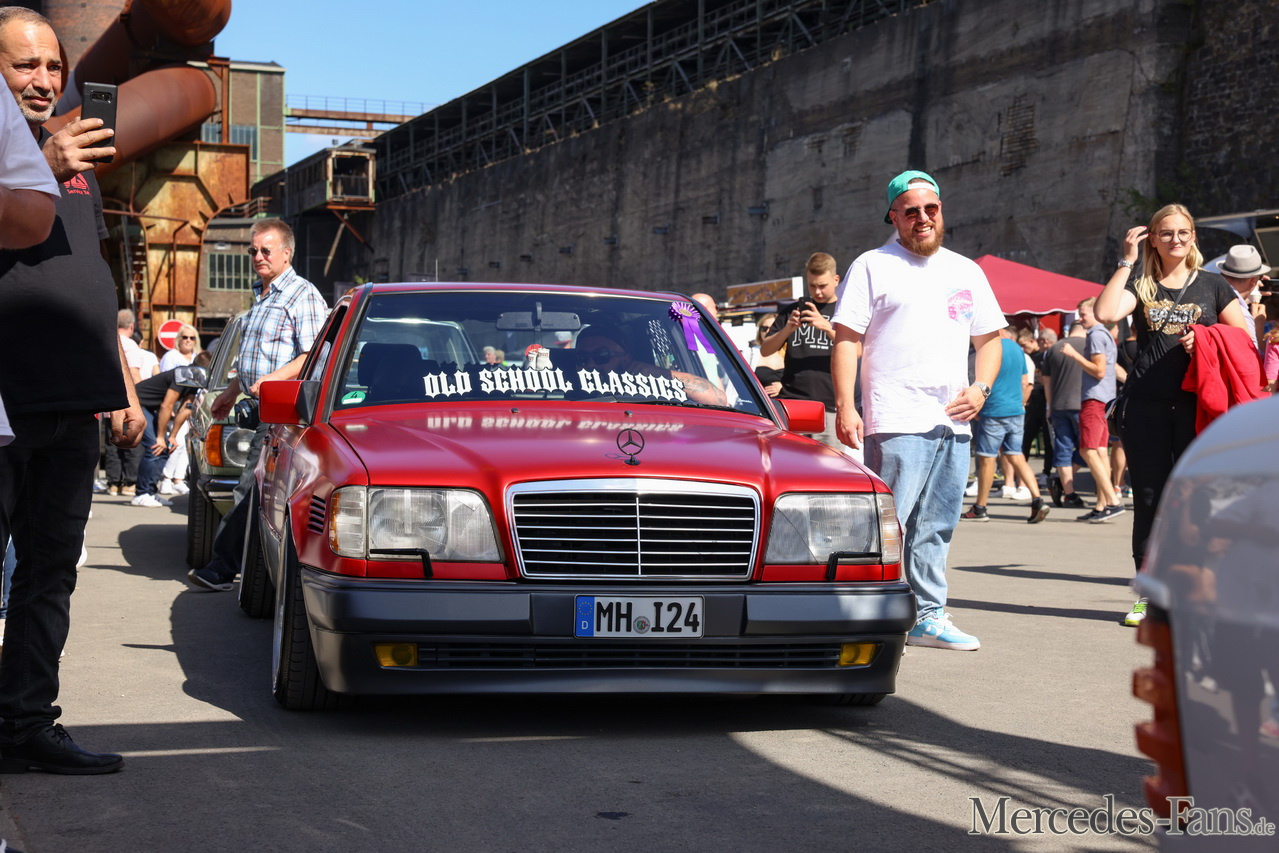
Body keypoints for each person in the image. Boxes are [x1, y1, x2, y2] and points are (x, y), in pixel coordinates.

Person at [0, 5, 142, 775]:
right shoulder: (31, 153)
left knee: (49, 573)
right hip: (7, 400)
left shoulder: (77, 157)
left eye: (53, 65)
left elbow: (92, 275)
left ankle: (26, 724)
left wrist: (122, 383)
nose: (43, 78)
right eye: (25, 64)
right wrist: (39, 165)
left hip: (72, 400)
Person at [831, 170, 1005, 651]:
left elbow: (991, 341)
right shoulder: (873, 265)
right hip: (896, 415)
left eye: (931, 208)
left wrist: (981, 388)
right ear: (894, 216)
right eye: (911, 211)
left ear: (941, 210)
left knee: (937, 526)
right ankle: (865, 613)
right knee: (887, 525)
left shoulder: (966, 270)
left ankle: (928, 615)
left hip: (954, 419)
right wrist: (845, 405)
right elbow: (846, 340)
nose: (923, 218)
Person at [1095, 203, 1252, 627]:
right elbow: (1106, 313)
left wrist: (1207, 339)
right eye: (1165, 233)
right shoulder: (1141, 284)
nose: (1175, 239)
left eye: (1183, 232)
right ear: (1153, 238)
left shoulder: (1214, 285)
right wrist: (1127, 261)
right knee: (1149, 499)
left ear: (1193, 236)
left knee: (1198, 499)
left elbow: (1242, 340)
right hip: (1145, 405)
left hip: (1197, 406)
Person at [187, 219, 328, 592]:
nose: (258, 257)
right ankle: (245, 569)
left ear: (287, 253)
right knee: (253, 487)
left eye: (266, 250)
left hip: (282, 407)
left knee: (251, 487)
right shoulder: (263, 296)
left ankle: (224, 568)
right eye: (253, 250)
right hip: (256, 403)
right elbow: (254, 360)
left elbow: (313, 355)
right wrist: (231, 391)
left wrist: (272, 381)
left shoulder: (302, 295)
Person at [961, 326, 1050, 524]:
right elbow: (1025, 380)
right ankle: (1037, 499)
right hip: (1016, 409)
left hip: (994, 410)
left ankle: (980, 507)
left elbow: (979, 379)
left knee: (987, 459)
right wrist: (1021, 402)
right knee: (1016, 455)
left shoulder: (989, 347)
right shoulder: (1017, 349)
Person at [759, 253, 842, 450]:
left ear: (836, 280)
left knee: (830, 466)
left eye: (822, 285)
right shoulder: (791, 311)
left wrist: (826, 327)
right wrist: (788, 329)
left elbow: (857, 350)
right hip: (792, 404)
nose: (817, 292)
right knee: (790, 463)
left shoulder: (844, 310)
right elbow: (765, 350)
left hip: (830, 406)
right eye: (812, 286)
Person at [1061, 297, 1124, 522]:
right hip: (1104, 399)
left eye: (1083, 314)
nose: (1080, 318)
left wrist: (1074, 354)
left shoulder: (1096, 335)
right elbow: (1110, 368)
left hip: (1095, 399)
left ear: (1096, 313)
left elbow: (1099, 370)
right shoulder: (1105, 335)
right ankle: (1102, 505)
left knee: (1088, 451)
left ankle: (1112, 502)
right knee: (1099, 451)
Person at [574, 324, 727, 406]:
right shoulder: (563, 392)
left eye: (601, 356)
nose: (590, 364)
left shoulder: (651, 389)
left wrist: (661, 374)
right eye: (582, 357)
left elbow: (717, 400)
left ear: (626, 359)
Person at [1040, 320, 1087, 508]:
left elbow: (1046, 381)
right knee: (1089, 448)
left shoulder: (1054, 348)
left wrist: (1050, 406)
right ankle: (1063, 482)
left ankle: (1069, 493)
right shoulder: (1089, 345)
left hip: (1058, 405)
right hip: (1083, 404)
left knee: (1063, 448)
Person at [1213, 244, 1271, 349]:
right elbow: (1252, 355)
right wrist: (1258, 328)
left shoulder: (1211, 295)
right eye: (1259, 277)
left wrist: (1247, 297)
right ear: (1254, 280)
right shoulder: (1242, 314)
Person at [749, 314, 784, 397]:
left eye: (772, 328)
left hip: (786, 402)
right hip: (759, 403)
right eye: (764, 328)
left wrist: (783, 387)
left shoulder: (790, 352)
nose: (768, 331)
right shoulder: (751, 353)